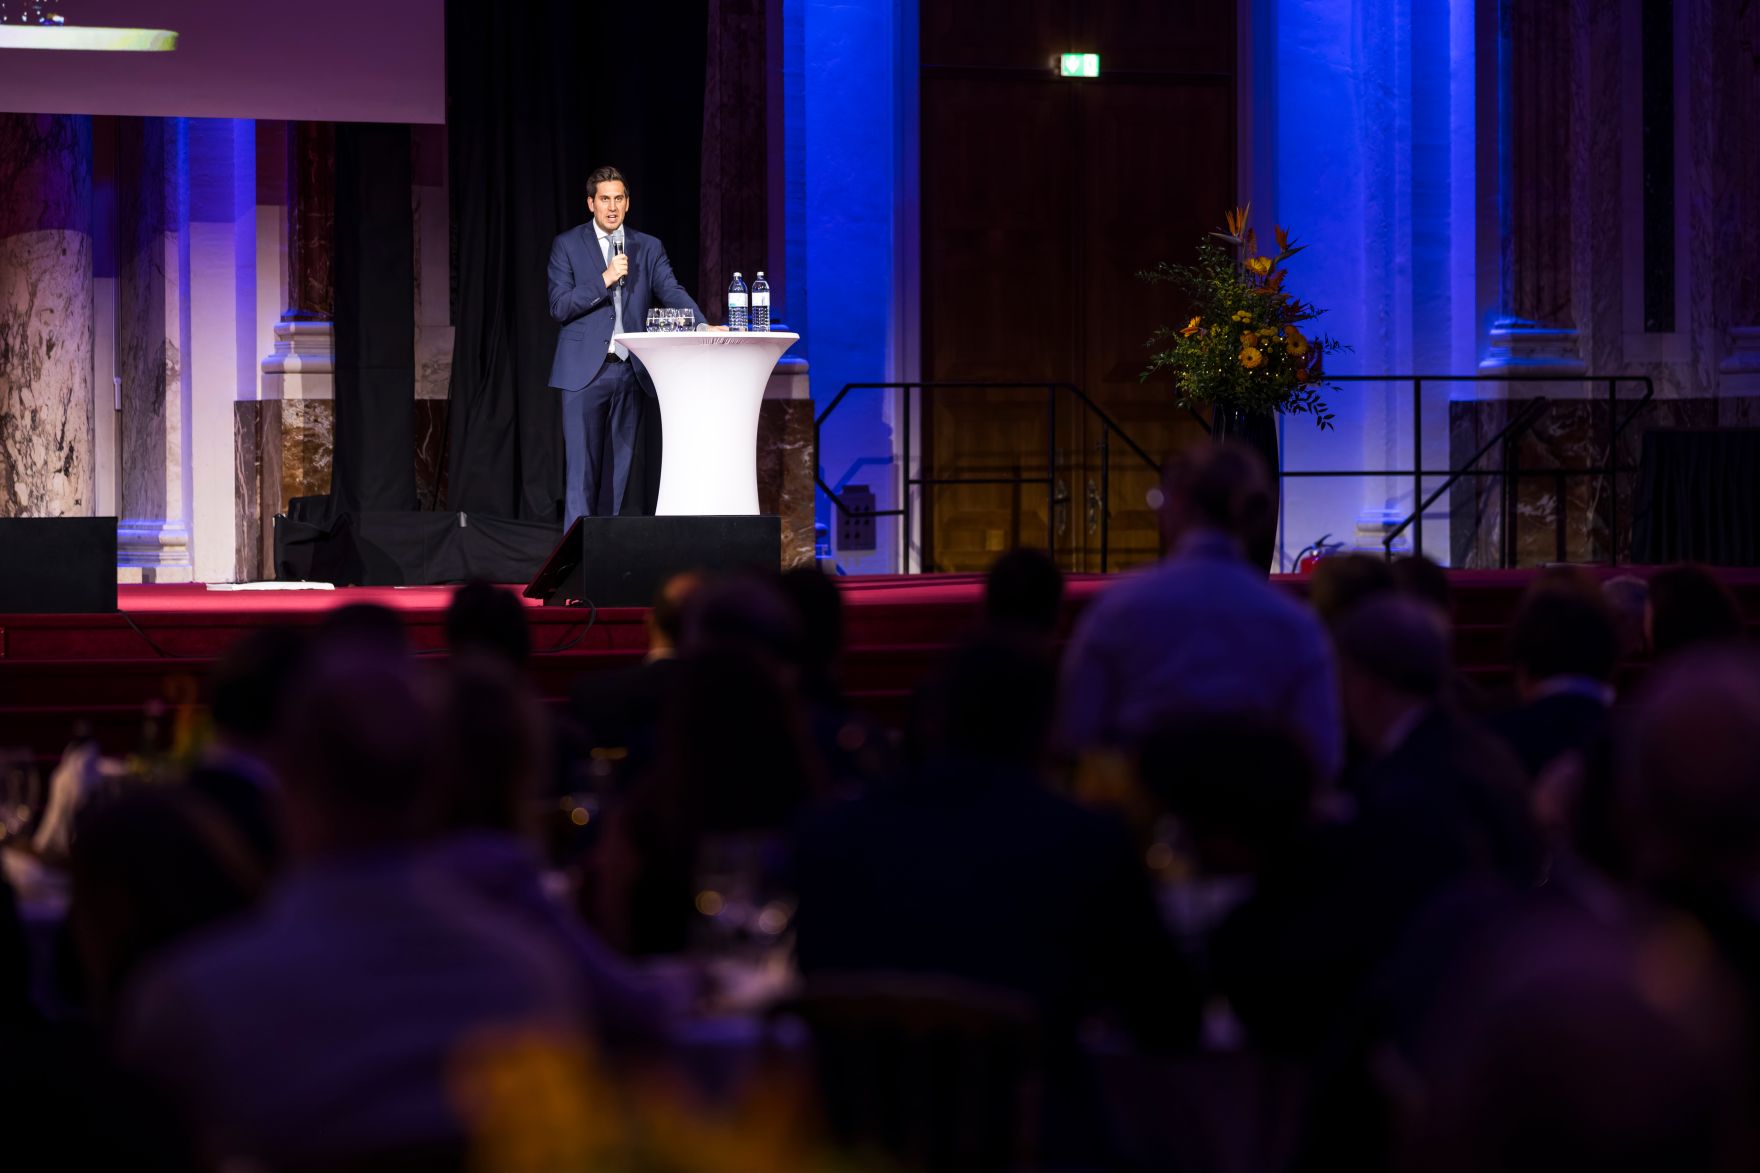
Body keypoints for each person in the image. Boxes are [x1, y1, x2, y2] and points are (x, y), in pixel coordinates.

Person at [1056, 442, 1342, 779]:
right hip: (1253, 801)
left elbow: (1075, 733)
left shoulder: (1118, 608)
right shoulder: (1293, 622)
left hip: (1141, 798)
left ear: (1177, 505)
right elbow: (1321, 755)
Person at [547, 165, 715, 522]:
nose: (612, 207)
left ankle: (608, 548)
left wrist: (700, 323)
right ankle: (577, 553)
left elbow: (671, 289)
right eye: (604, 199)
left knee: (620, 476)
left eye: (618, 199)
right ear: (591, 203)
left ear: (628, 203)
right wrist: (605, 278)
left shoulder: (647, 247)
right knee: (581, 475)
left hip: (630, 371)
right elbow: (559, 306)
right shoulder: (567, 245)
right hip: (583, 373)